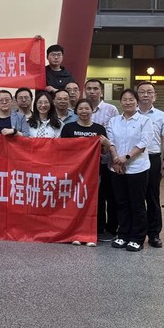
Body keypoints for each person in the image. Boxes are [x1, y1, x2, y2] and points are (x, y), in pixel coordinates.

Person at [61, 99, 111, 247]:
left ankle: (94, 231)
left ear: (92, 110)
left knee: (94, 201)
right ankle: (75, 231)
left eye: (87, 108)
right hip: (73, 172)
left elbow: (104, 152)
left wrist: (107, 145)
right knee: (74, 201)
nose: (84, 111)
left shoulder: (99, 129)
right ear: (76, 111)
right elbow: (62, 149)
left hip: (93, 172)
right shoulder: (68, 128)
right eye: (81, 109)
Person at [106, 89, 152, 252]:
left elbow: (144, 142)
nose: (128, 102)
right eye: (125, 99)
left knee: (137, 203)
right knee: (121, 202)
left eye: (131, 99)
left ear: (137, 102)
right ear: (120, 102)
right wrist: (116, 159)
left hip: (137, 168)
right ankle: (123, 234)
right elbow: (110, 141)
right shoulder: (114, 121)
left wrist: (125, 158)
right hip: (117, 168)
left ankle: (137, 238)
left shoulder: (144, 121)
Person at [137, 81, 164, 248]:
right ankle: (136, 232)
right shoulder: (130, 114)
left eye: (149, 92)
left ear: (155, 96)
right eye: (142, 92)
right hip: (135, 159)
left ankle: (154, 234)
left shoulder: (161, 116)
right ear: (137, 95)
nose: (145, 95)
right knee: (135, 198)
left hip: (152, 158)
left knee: (152, 197)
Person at [86, 78, 120, 240]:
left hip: (107, 160)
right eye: (89, 88)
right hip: (87, 163)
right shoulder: (82, 107)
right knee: (95, 196)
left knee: (110, 195)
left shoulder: (111, 109)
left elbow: (116, 134)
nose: (92, 91)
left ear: (101, 91)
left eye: (95, 88)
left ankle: (112, 228)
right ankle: (97, 227)